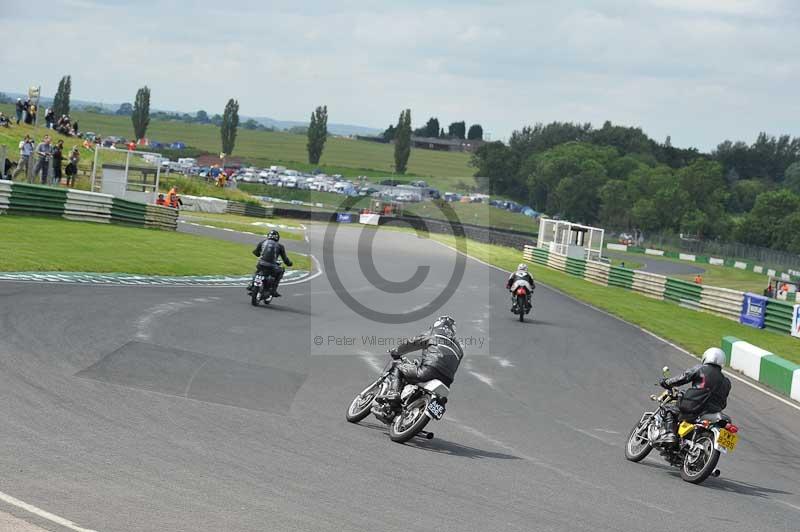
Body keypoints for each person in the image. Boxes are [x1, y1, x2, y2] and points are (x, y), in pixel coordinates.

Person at [374, 316, 463, 408]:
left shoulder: (434, 333)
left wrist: (396, 352)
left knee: (398, 367)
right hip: (446, 381)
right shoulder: (459, 348)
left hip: (429, 371)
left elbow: (412, 343)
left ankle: (393, 393)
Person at [657, 347, 732, 444]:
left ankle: (669, 434)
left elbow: (683, 378)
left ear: (706, 357)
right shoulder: (726, 382)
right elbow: (723, 401)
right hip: (712, 411)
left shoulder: (701, 369)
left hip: (694, 405)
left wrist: (667, 382)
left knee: (669, 409)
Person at [250, 230, 293, 297]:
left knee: (258, 270)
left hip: (260, 264)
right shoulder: (280, 246)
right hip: (272, 266)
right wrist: (289, 263)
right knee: (281, 271)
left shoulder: (263, 242)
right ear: (277, 238)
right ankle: (273, 290)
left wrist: (261, 254)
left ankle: (252, 284)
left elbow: (256, 253)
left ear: (268, 236)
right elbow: (285, 259)